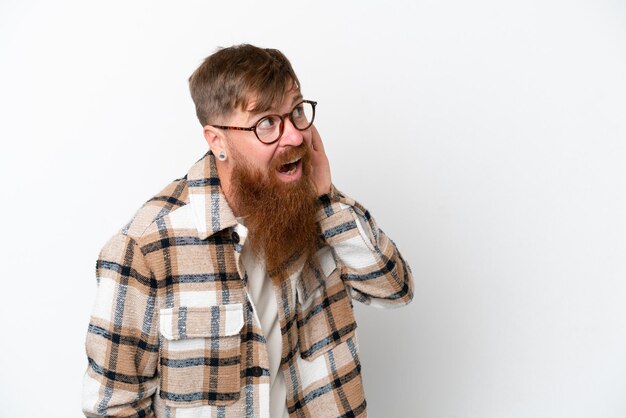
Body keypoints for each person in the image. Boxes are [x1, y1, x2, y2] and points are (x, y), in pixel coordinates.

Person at [82, 44, 414, 418]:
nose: (294, 137)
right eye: (267, 123)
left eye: (297, 112)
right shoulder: (144, 248)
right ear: (217, 141)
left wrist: (326, 200)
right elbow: (113, 408)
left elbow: (394, 291)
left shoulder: (315, 208)